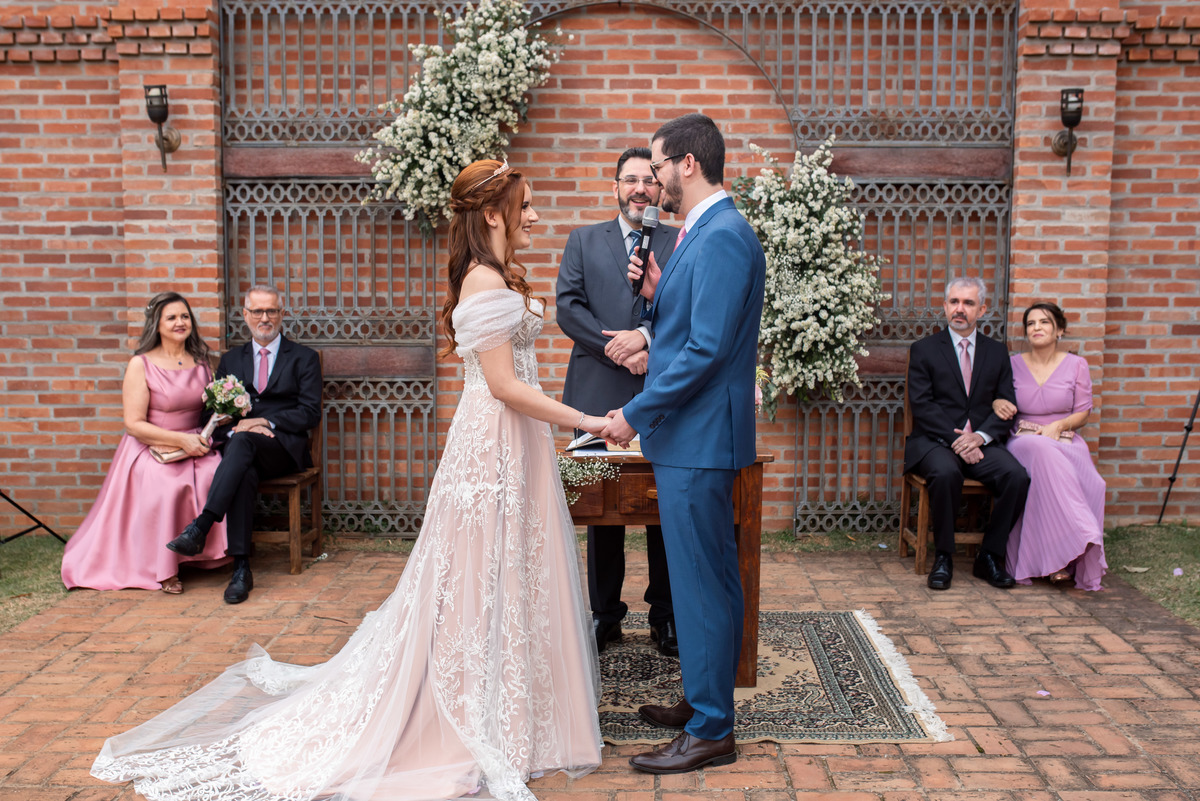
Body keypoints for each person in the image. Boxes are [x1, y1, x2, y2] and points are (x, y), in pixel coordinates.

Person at [91, 159, 605, 801]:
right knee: (476, 574)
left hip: (512, 440)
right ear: (495, 214)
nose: (535, 216)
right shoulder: (480, 280)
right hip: (492, 442)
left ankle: (516, 707)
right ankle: (470, 711)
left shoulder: (496, 275)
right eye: (526, 206)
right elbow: (503, 386)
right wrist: (587, 420)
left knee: (510, 569)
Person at [601, 113, 766, 774]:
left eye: (660, 165)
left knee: (703, 585)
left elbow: (704, 350)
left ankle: (711, 728)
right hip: (692, 437)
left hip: (698, 439)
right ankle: (703, 701)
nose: (653, 181)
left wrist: (635, 413)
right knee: (709, 582)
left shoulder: (723, 234)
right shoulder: (701, 233)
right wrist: (656, 291)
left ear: (687, 165)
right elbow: (691, 323)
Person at [556, 146, 680, 657]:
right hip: (596, 390)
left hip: (661, 391)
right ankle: (604, 616)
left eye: (648, 181)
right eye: (630, 180)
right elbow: (568, 308)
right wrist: (619, 348)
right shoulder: (584, 241)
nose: (639, 189)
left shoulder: (679, 240)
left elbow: (683, 305)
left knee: (662, 506)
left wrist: (646, 340)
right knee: (599, 510)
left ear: (658, 189)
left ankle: (665, 617)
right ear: (615, 188)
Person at [61, 292, 230, 593]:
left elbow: (207, 408)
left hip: (196, 443)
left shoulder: (202, 361)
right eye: (172, 317)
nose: (180, 322)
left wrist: (220, 419)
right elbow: (133, 424)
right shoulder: (141, 364)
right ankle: (163, 568)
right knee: (166, 485)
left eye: (185, 316)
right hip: (153, 446)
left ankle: (203, 554)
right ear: (157, 323)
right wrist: (180, 440)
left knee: (216, 472)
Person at [165, 284, 322, 604]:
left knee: (243, 444)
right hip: (243, 450)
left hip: (283, 448)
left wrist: (265, 422)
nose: (265, 318)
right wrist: (235, 424)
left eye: (272, 311)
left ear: (282, 314)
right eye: (258, 311)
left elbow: (310, 412)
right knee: (243, 463)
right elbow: (211, 411)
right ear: (245, 315)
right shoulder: (231, 359)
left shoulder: (304, 358)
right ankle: (241, 568)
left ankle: (202, 525)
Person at [904, 276, 1030, 591]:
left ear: (982, 309)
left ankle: (989, 556)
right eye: (954, 302)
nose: (960, 309)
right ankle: (943, 556)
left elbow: (1007, 404)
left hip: (981, 444)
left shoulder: (997, 352)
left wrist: (981, 438)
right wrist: (958, 440)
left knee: (1016, 476)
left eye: (968, 303)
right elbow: (922, 405)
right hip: (936, 442)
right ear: (945, 306)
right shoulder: (924, 350)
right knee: (946, 473)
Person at [991, 302, 1107, 590]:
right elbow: (995, 397)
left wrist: (1059, 426)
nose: (1037, 328)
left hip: (1065, 438)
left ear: (1060, 330)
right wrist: (996, 402)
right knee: (1040, 450)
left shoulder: (1077, 364)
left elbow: (1084, 411)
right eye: (1030, 323)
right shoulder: (1012, 363)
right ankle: (1082, 533)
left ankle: (1064, 556)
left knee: (1094, 482)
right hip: (1023, 439)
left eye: (1044, 322)